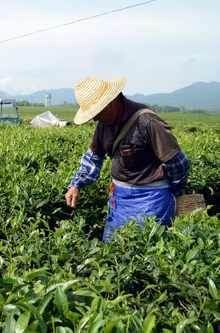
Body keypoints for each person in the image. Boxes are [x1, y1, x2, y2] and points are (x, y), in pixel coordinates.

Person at [65, 76, 190, 242]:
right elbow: (93, 158)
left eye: (96, 113)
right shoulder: (103, 124)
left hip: (152, 200)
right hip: (120, 198)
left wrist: (172, 192)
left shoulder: (148, 122)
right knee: (113, 252)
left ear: (109, 103)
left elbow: (178, 164)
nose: (94, 119)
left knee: (144, 253)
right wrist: (76, 184)